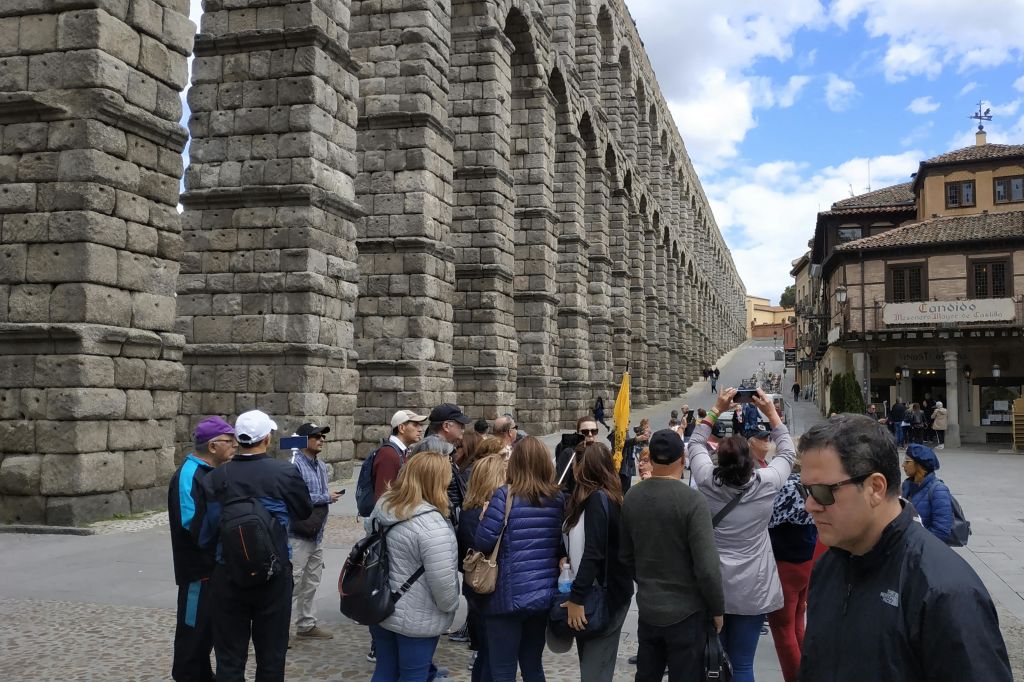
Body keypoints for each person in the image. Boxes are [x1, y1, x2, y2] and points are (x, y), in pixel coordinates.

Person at [797, 415, 1012, 682]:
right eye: (804, 490)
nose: (810, 505)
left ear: (875, 488)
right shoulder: (828, 566)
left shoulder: (945, 591)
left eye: (821, 491)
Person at [689, 388, 796, 682]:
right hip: (754, 585)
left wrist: (716, 408)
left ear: (719, 461)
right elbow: (787, 451)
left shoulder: (706, 480)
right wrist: (772, 413)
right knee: (744, 664)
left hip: (716, 585)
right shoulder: (767, 482)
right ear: (750, 460)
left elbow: (695, 443)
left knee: (715, 659)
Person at [199, 410, 313, 682]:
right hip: (273, 573)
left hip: (228, 573)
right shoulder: (284, 471)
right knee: (271, 658)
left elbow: (205, 534)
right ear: (266, 438)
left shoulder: (215, 477)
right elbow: (304, 511)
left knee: (229, 659)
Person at [621, 429, 724, 681]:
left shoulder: (632, 497)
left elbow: (625, 556)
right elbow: (707, 568)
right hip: (687, 612)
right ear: (683, 458)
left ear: (650, 459)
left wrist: (646, 581)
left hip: (649, 608)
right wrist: (717, 608)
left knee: (647, 674)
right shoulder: (692, 501)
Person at [473, 437, 564, 681]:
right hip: (542, 595)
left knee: (502, 668)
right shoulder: (557, 499)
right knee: (533, 664)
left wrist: (483, 519)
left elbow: (482, 543)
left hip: (505, 596)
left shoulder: (504, 496)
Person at [368, 451, 461, 682]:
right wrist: (450, 607)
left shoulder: (384, 508)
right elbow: (443, 583)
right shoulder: (433, 526)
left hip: (381, 605)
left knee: (384, 671)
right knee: (414, 676)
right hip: (417, 617)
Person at [168, 416, 237, 682]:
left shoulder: (211, 472)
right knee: (193, 633)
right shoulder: (189, 474)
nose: (234, 446)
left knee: (208, 631)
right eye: (228, 442)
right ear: (212, 446)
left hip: (214, 569)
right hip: (198, 571)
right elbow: (191, 525)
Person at [558, 443, 634, 681]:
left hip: (603, 595)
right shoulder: (593, 498)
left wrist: (577, 598)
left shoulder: (598, 500)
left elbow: (594, 552)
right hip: (596, 593)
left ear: (584, 467)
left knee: (594, 672)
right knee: (591, 667)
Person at [458, 454, 510, 680]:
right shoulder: (485, 513)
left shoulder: (470, 509)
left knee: (485, 655)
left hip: (475, 589)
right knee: (492, 655)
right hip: (488, 589)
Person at [288, 422, 342, 641]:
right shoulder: (294, 464)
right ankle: (278, 631)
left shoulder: (320, 466)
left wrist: (325, 495)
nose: (321, 440)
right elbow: (294, 497)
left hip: (315, 532)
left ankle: (306, 624)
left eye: (322, 437)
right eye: (316, 436)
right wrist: (326, 497)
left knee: (311, 581)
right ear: (303, 440)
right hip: (297, 534)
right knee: (293, 583)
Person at [766, 469, 818, 682]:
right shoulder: (812, 485)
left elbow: (767, 519)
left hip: (784, 563)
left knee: (782, 629)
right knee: (797, 623)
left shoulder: (786, 487)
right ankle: (810, 672)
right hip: (805, 561)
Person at [426, 403, 473, 526]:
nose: (463, 428)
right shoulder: (434, 449)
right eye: (460, 424)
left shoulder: (442, 447)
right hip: (438, 518)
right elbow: (433, 490)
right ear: (446, 426)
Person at [374, 410, 429, 504]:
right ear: (402, 428)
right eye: (415, 425)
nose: (420, 429)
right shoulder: (388, 454)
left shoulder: (399, 451)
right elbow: (383, 496)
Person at [901, 444, 953, 543]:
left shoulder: (939, 490)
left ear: (919, 465)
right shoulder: (906, 485)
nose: (903, 465)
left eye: (907, 461)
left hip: (923, 550)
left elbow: (941, 531)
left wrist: (914, 541)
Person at [556, 415, 599, 492]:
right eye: (585, 432)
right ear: (578, 433)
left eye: (593, 431)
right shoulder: (570, 454)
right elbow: (561, 485)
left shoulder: (601, 453)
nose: (590, 434)